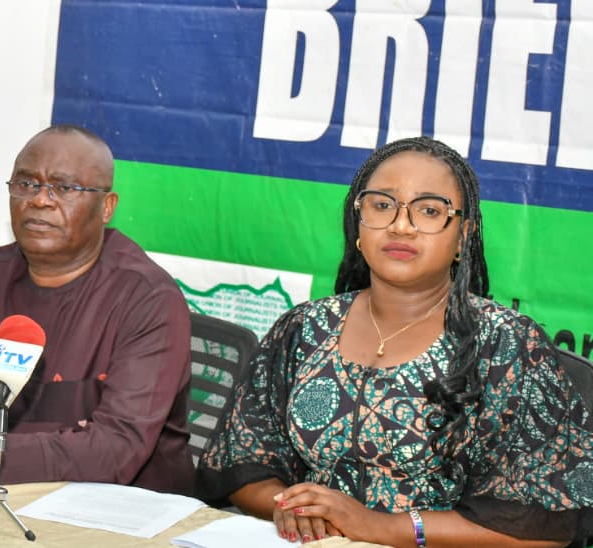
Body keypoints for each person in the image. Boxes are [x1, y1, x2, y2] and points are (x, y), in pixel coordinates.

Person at [196, 136, 593, 547]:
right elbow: (242, 464)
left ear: (463, 234)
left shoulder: (505, 345)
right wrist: (298, 509)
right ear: (358, 223)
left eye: (429, 210)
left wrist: (378, 527)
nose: (401, 225)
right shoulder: (304, 329)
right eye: (382, 205)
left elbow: (541, 526)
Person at [0, 125, 195, 495]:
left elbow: (118, 448)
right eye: (26, 184)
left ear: (107, 207)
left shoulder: (148, 299)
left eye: (64, 188)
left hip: (120, 508)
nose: (39, 200)